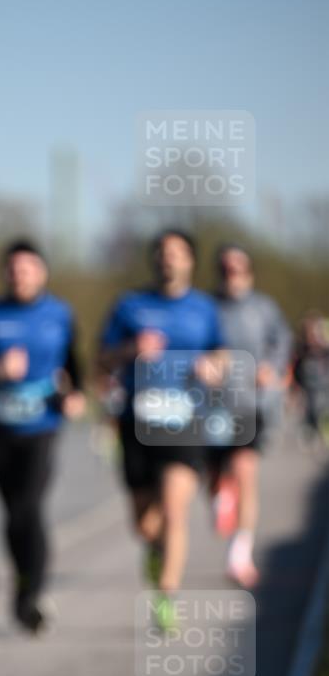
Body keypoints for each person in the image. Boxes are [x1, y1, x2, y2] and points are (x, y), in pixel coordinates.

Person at [97, 230, 227, 628]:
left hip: (185, 420)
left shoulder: (204, 308)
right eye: (162, 253)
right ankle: (156, 551)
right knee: (145, 524)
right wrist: (129, 351)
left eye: (177, 253)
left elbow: (221, 353)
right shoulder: (130, 305)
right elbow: (100, 360)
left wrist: (213, 367)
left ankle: (166, 596)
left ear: (190, 261)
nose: (169, 259)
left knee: (175, 510)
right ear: (154, 260)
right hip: (137, 421)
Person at [0, 240, 85, 635]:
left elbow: (73, 362)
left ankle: (33, 594)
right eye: (13, 268)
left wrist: (75, 394)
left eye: (28, 268)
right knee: (12, 515)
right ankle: (23, 580)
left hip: (43, 423)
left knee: (31, 507)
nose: (20, 275)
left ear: (42, 272)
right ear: (5, 273)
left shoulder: (60, 314)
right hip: (0, 424)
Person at [208, 244, 292, 587]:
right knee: (214, 475)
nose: (233, 275)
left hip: (250, 403)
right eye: (226, 269)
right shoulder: (208, 308)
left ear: (249, 272)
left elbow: (282, 341)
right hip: (212, 405)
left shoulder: (264, 308)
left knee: (246, 471)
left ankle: (239, 555)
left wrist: (270, 366)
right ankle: (219, 489)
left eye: (239, 269)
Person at [293, 313, 329, 447]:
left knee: (323, 409)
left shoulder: (324, 350)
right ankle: (311, 431)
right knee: (311, 410)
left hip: (324, 386)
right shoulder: (302, 350)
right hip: (308, 387)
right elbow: (296, 369)